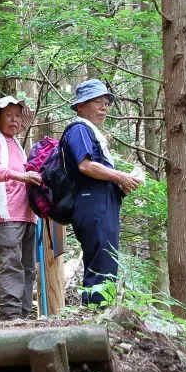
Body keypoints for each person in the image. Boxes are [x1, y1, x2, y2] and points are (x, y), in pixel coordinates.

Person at [61, 79, 141, 307]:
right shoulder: (79, 129)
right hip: (91, 202)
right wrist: (120, 177)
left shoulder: (89, 131)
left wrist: (121, 181)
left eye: (106, 103)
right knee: (101, 263)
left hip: (101, 202)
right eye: (97, 102)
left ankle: (98, 315)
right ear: (80, 106)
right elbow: (85, 166)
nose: (103, 107)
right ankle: (96, 318)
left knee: (106, 260)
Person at [0, 96, 43, 319]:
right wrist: (21, 176)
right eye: (8, 115)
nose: (14, 120)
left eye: (18, 116)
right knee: (11, 265)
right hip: (6, 216)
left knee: (28, 267)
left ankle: (24, 315)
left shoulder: (19, 147)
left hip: (28, 216)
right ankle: (10, 317)